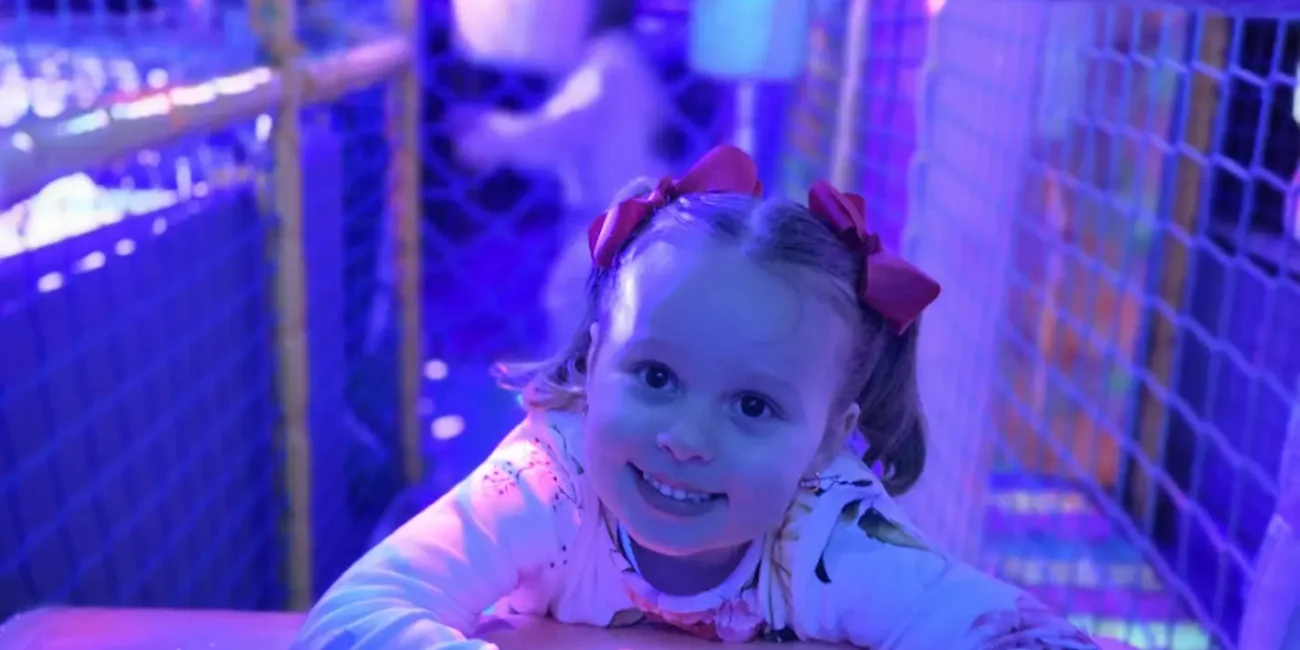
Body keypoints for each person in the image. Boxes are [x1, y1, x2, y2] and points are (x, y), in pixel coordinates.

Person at [292, 145, 1117, 649]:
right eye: (655, 377)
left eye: (753, 406)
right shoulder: (551, 483)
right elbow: (354, 614)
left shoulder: (826, 529)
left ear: (828, 441)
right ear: (594, 366)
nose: (686, 437)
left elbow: (1003, 631)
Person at [453, 0, 673, 351]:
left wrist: (487, 133)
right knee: (592, 310)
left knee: (573, 304)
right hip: (625, 214)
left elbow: (553, 135)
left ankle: (576, 383)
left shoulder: (606, 68)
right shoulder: (621, 63)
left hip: (613, 216)